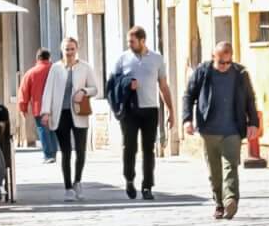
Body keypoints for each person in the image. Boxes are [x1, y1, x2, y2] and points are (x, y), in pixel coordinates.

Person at [182, 39, 259, 219]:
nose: (224, 66)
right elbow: (188, 96)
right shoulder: (203, 72)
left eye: (228, 62)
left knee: (231, 166)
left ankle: (231, 199)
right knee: (214, 171)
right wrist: (187, 119)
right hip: (209, 129)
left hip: (233, 129)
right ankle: (218, 202)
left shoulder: (240, 73)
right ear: (212, 57)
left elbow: (249, 99)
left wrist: (253, 122)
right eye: (220, 62)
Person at [110, 26, 175, 201]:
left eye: (132, 41)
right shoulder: (122, 59)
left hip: (150, 109)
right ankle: (129, 179)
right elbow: (112, 84)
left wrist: (170, 110)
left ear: (142, 41)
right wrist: (126, 83)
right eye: (128, 41)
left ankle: (147, 186)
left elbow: (163, 85)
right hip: (130, 110)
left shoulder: (157, 59)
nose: (129, 44)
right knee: (129, 147)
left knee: (148, 149)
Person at [38, 37, 102, 202]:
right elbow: (48, 91)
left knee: (80, 151)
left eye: (72, 49)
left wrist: (84, 91)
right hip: (61, 114)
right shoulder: (55, 69)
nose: (69, 52)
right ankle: (67, 188)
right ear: (62, 50)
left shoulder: (85, 67)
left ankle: (77, 182)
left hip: (79, 113)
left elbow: (95, 89)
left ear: (77, 49)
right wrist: (45, 112)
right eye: (67, 49)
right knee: (66, 151)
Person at [20, 48, 57, 163]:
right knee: (53, 129)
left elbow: (24, 91)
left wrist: (23, 108)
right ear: (49, 57)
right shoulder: (57, 70)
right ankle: (53, 152)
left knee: (43, 129)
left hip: (39, 107)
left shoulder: (31, 73)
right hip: (55, 106)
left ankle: (48, 155)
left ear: (37, 58)